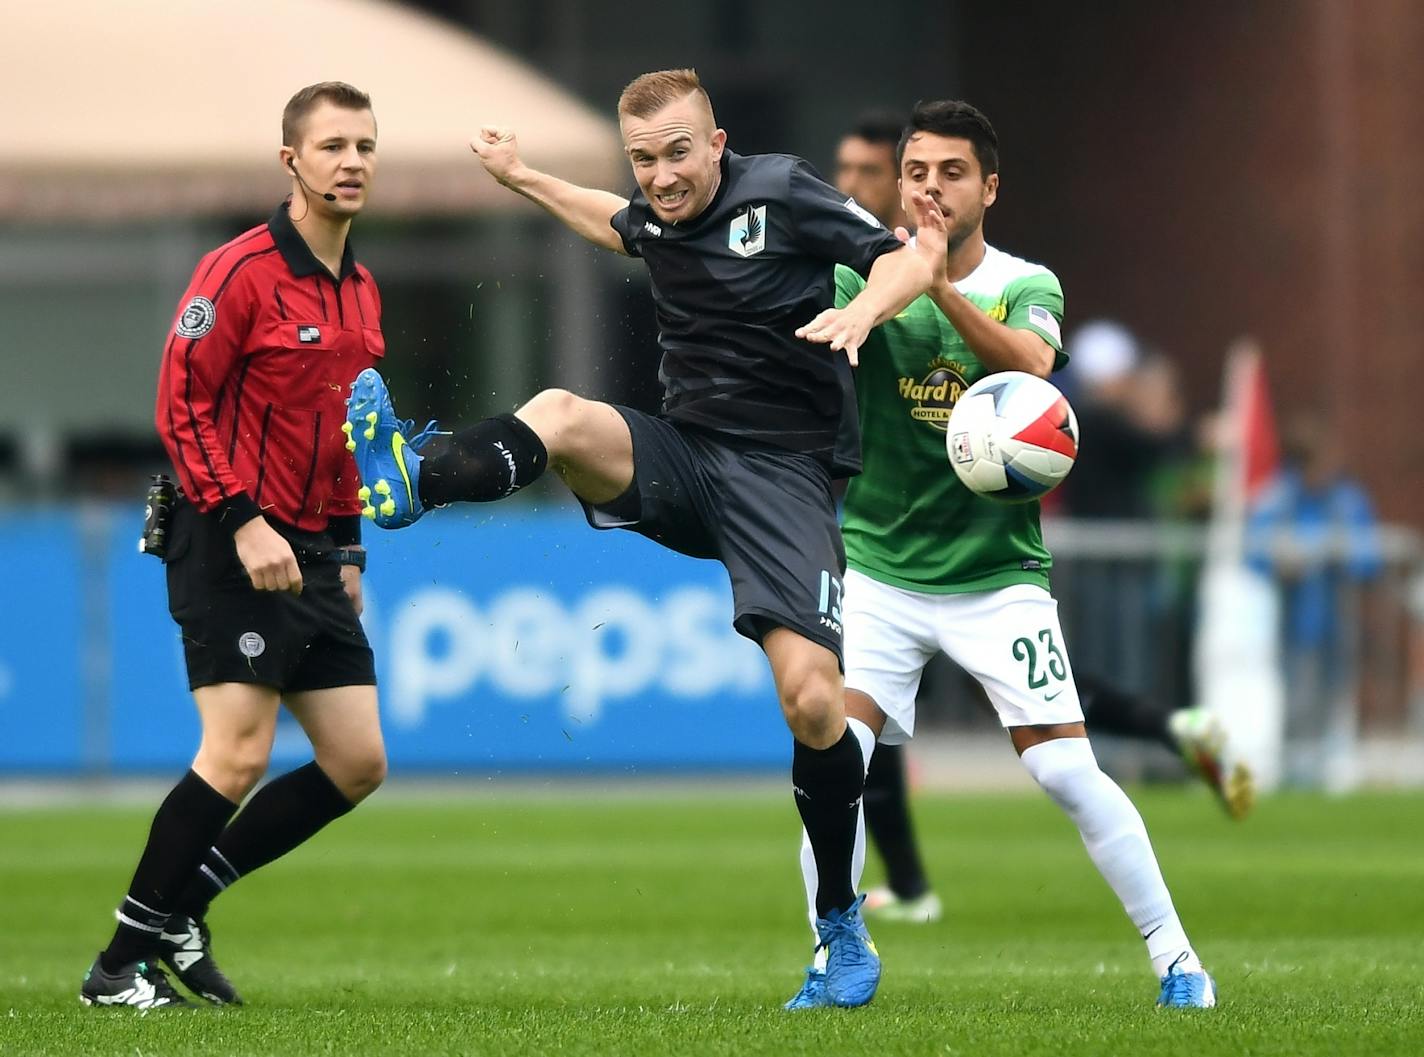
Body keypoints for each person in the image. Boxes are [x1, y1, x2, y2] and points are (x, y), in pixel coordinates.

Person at [343, 68, 939, 1009]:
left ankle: (838, 925)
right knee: (564, 414)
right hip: (684, 457)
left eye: (675, 154)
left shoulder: (778, 189)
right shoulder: (655, 211)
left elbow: (907, 259)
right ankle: (418, 481)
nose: (659, 177)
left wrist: (865, 306)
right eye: (642, 160)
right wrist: (524, 176)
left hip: (784, 479)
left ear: (716, 141)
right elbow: (614, 220)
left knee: (814, 702)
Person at [785, 100, 1217, 1010]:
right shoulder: (852, 275)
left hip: (996, 579)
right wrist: (889, 286)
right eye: (916, 173)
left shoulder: (1028, 281)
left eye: (950, 173)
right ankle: (834, 955)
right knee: (834, 755)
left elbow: (1029, 366)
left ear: (988, 186)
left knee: (1064, 769)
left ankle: (1178, 958)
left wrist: (937, 284)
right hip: (880, 572)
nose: (929, 188)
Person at [81, 82, 389, 1009]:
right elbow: (180, 405)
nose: (352, 161)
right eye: (332, 145)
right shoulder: (237, 271)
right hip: (226, 536)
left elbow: (347, 433)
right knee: (238, 752)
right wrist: (244, 519)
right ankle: (115, 966)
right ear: (290, 160)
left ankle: (184, 909)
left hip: (310, 551)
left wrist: (348, 551)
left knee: (357, 760)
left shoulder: (363, 288)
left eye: (366, 146)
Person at [1247, 408, 1382, 788]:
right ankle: (1295, 777)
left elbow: (1370, 558)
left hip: (1338, 621)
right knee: (1297, 702)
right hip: (1295, 622)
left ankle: (1324, 775)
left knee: (1333, 700)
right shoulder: (1279, 500)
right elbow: (1254, 553)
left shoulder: (1347, 500)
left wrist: (1336, 555)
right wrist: (1282, 560)